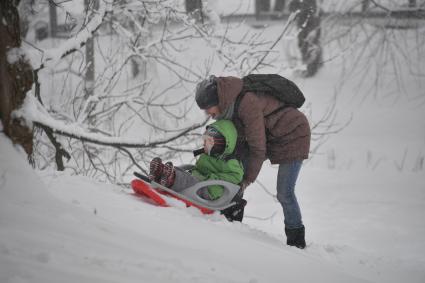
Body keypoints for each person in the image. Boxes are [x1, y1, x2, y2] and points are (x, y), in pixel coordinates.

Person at [195, 75, 310, 249]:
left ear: (217, 100)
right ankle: (229, 216)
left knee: (284, 192)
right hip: (273, 136)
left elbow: (257, 148)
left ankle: (296, 241)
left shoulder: (247, 103)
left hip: (293, 134)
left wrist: (247, 180)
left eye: (208, 108)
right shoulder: (228, 106)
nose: (208, 114)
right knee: (237, 171)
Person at [148, 119, 244, 206]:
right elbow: (199, 169)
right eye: (204, 140)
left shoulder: (231, 162)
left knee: (187, 180)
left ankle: (170, 179)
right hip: (199, 181)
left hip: (210, 189)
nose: (204, 144)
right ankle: (160, 172)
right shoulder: (208, 155)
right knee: (184, 175)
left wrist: (211, 178)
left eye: (209, 141)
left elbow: (236, 177)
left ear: (222, 144)